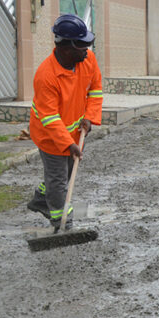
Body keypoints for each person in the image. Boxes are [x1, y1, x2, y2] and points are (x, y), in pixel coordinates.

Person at [26, 14, 103, 229]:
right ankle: (62, 223)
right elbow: (49, 118)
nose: (87, 50)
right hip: (50, 136)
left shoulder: (87, 60)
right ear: (66, 48)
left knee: (64, 175)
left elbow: (95, 89)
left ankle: (42, 197)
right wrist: (67, 144)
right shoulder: (46, 76)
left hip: (75, 133)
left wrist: (90, 117)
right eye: (82, 46)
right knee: (59, 181)